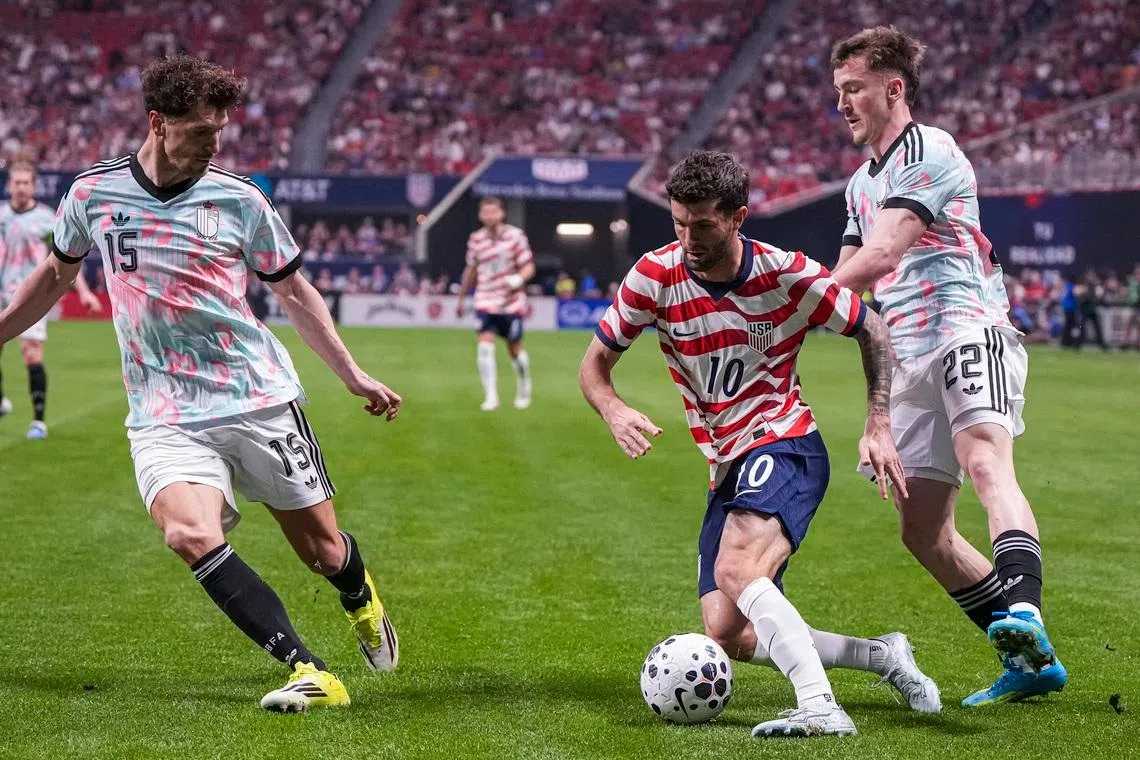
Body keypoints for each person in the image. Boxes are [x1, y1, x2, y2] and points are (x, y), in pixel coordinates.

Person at [0, 55, 400, 711]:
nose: (213, 147)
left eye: (219, 134)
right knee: (187, 534)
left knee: (325, 553)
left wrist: (351, 373)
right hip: (163, 410)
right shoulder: (92, 194)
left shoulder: (240, 198)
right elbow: (53, 276)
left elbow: (294, 291)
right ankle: (310, 670)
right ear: (158, 123)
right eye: (200, 134)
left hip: (256, 399)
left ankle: (359, 597)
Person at [579, 151, 940, 739]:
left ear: (738, 216)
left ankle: (820, 706)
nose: (688, 238)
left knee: (738, 567)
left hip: (785, 439)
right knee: (728, 631)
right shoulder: (654, 276)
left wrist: (879, 422)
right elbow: (594, 366)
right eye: (678, 222)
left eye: (703, 225)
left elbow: (871, 327)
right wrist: (613, 408)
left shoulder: (786, 273)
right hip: (725, 463)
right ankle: (883, 656)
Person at [829, 26, 1065, 707]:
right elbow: (857, 296)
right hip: (905, 355)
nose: (843, 105)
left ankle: (1026, 612)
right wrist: (874, 406)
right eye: (838, 93)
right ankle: (1029, 661)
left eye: (854, 91)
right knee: (921, 527)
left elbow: (877, 257)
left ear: (893, 88)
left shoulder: (933, 150)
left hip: (966, 328)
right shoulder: (857, 185)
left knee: (987, 462)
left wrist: (786, 302)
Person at [0, 160, 103, 438]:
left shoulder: (46, 219)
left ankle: (38, 422)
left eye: (26, 182)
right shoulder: (1, 217)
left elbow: (66, 258)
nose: (21, 187)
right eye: (16, 182)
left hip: (32, 294)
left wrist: (83, 292)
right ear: (9, 185)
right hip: (1, 291)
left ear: (33, 186)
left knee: (31, 352)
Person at [456, 196, 535, 411]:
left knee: (515, 350)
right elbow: (471, 269)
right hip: (485, 299)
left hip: (511, 302)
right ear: (481, 215)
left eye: (493, 211)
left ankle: (524, 386)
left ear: (501, 213)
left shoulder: (516, 236)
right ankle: (491, 396)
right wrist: (461, 298)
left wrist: (518, 279)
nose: (490, 216)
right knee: (484, 347)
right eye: (485, 212)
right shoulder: (475, 240)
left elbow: (528, 266)